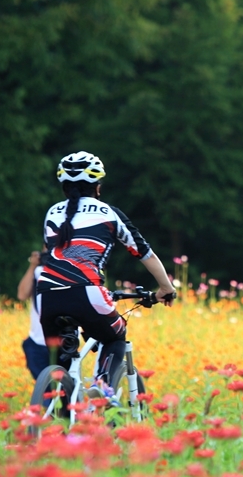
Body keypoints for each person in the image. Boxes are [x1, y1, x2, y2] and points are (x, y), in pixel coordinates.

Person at [37, 151, 175, 398]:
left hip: (46, 298)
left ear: (64, 187)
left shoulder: (51, 212)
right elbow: (145, 254)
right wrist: (166, 288)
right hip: (88, 293)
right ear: (97, 187)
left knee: (61, 363)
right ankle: (102, 391)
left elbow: (54, 258)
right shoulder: (109, 212)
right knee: (116, 335)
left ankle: (60, 403)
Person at [16, 247, 49, 380]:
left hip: (62, 343)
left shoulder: (69, 272)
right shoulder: (38, 272)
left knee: (61, 392)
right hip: (37, 342)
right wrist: (33, 265)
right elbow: (22, 295)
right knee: (45, 392)